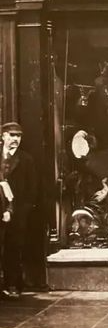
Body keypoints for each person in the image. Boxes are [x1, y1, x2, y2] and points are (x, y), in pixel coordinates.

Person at [0, 122, 38, 299]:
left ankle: (12, 284)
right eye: (12, 135)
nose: (16, 139)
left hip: (17, 212)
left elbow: (32, 188)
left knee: (13, 248)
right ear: (3, 136)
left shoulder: (26, 159)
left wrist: (22, 211)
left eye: (19, 136)